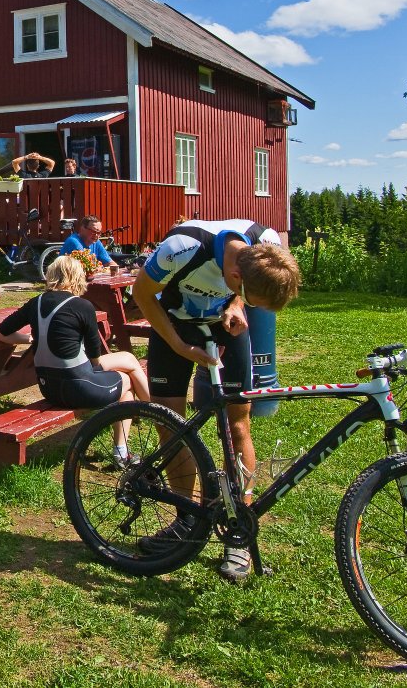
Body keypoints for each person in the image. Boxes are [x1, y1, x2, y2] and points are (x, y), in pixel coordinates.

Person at [131, 218, 300, 581]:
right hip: (173, 325)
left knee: (238, 426)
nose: (253, 306)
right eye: (252, 300)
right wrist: (178, 345)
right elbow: (141, 293)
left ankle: (238, 530)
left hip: (225, 324)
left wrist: (238, 304)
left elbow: (248, 285)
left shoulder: (266, 242)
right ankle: (185, 520)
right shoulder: (182, 248)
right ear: (236, 275)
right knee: (170, 424)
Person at [0, 255, 151, 467]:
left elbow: (0, 334)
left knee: (128, 360)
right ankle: (152, 423)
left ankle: (154, 413)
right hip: (78, 389)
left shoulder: (35, 303)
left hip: (49, 388)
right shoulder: (82, 306)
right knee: (127, 381)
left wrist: (28, 339)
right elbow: (95, 359)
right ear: (77, 277)